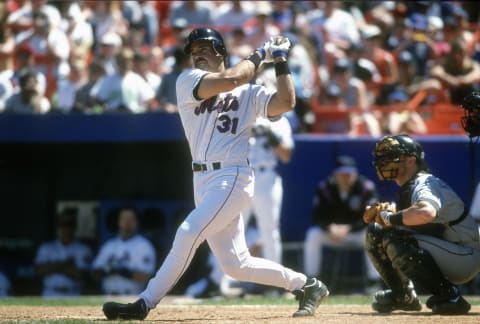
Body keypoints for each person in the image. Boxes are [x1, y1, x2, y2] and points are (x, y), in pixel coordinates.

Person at [102, 27, 329, 320]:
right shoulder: (188, 80)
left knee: (187, 233)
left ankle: (144, 303)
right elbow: (233, 78)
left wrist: (281, 61)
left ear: (220, 51)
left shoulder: (250, 93)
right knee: (236, 265)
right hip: (203, 179)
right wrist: (262, 53)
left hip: (232, 175)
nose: (197, 53)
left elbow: (286, 102)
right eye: (193, 50)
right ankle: (307, 285)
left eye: (204, 48)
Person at [364, 134, 480, 315]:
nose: (384, 161)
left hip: (465, 254)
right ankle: (403, 296)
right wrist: (391, 216)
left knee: (395, 237)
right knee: (376, 231)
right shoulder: (410, 185)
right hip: (449, 249)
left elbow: (425, 213)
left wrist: (390, 218)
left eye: (392, 156)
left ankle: (450, 296)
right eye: (382, 157)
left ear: (410, 161)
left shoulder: (424, 183)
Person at [303, 155, 380, 284]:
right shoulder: (325, 188)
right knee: (313, 234)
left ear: (355, 174)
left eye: (349, 174)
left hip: (356, 234)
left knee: (373, 234)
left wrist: (349, 228)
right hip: (332, 235)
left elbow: (372, 216)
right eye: (342, 174)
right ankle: (311, 282)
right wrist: (329, 227)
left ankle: (374, 282)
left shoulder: (366, 188)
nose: (345, 178)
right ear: (335, 174)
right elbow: (317, 216)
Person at [91, 206, 156, 296]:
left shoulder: (145, 246)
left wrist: (120, 271)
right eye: (124, 218)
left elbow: (146, 277)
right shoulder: (109, 245)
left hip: (132, 297)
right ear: (118, 221)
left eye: (131, 219)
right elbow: (94, 273)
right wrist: (108, 271)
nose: (127, 222)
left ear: (137, 222)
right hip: (108, 296)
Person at [34, 209, 92, 297]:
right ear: (59, 226)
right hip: (50, 293)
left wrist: (52, 266)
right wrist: (66, 264)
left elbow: (81, 274)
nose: (66, 227)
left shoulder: (83, 249)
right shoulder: (47, 247)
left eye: (69, 224)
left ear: (75, 226)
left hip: (73, 294)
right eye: (63, 224)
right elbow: (38, 270)